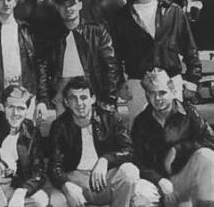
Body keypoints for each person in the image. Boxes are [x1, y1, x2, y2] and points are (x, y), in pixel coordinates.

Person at [109, 0, 202, 122]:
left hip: (171, 80)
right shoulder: (121, 17)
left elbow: (190, 48)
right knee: (140, 135)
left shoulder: (174, 11)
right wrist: (118, 83)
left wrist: (193, 79)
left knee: (176, 131)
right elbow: (114, 55)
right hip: (137, 83)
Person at [48, 76, 153, 207]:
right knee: (56, 201)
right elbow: (54, 165)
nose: (79, 103)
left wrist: (105, 160)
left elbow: (129, 150)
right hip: (76, 180)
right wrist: (66, 185)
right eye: (73, 98)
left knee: (130, 172)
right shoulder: (59, 126)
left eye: (84, 97)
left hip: (104, 177)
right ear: (66, 102)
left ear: (93, 99)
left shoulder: (109, 117)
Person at [132, 68, 214, 207]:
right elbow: (137, 159)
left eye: (162, 92)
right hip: (155, 183)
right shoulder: (141, 122)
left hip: (183, 179)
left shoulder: (188, 112)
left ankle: (204, 203)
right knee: (139, 197)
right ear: (147, 96)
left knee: (207, 157)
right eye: (152, 94)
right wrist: (160, 181)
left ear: (172, 92)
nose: (157, 98)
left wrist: (179, 149)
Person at [37, 0, 120, 116]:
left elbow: (111, 66)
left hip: (90, 85)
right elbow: (43, 68)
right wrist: (43, 98)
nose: (68, 8)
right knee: (64, 130)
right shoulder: (51, 37)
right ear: (57, 8)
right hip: (62, 88)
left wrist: (109, 99)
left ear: (80, 5)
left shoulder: (97, 32)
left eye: (72, 3)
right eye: (63, 5)